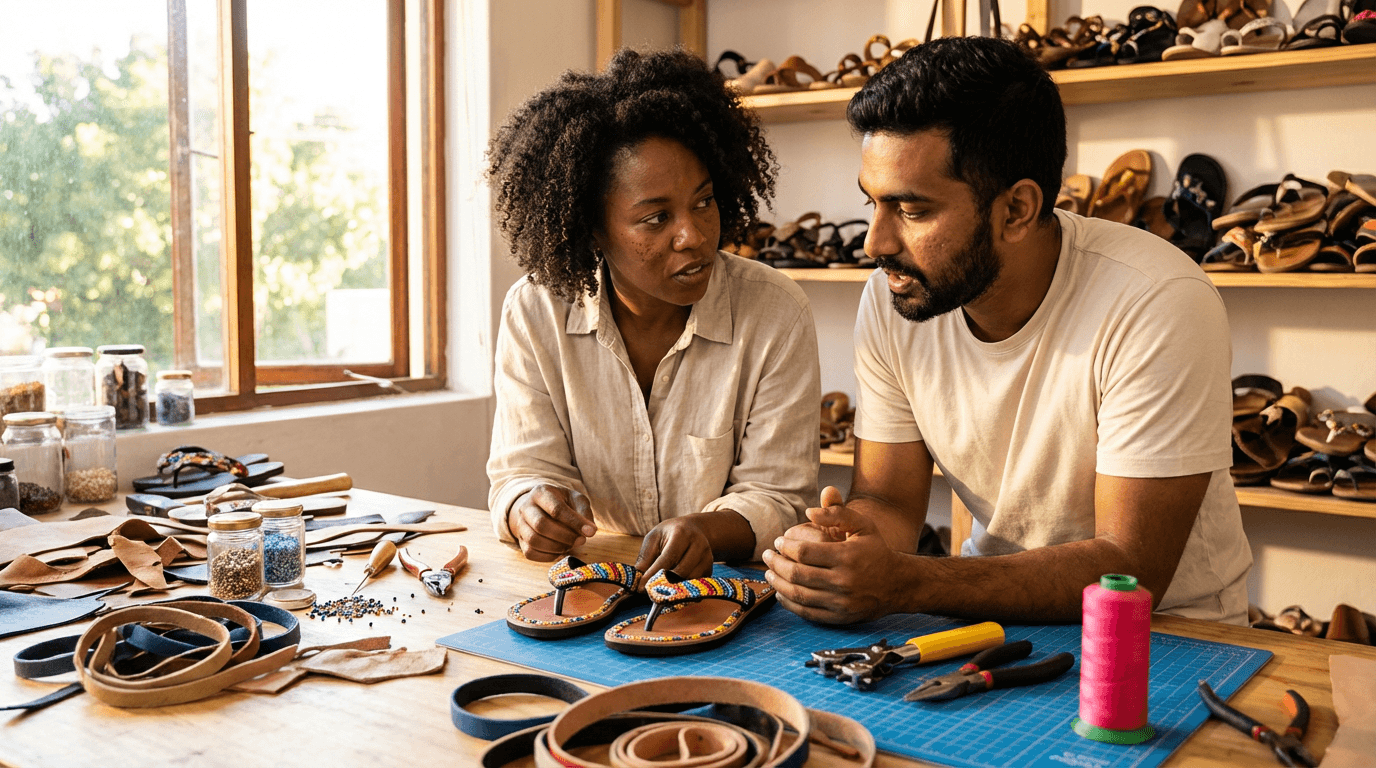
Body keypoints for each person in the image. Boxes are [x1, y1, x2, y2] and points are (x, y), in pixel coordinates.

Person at [762, 37, 1252, 625]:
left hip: (1174, 636)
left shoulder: (1156, 300)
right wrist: (850, 545)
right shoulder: (897, 292)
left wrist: (909, 581)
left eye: (911, 212)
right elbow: (890, 501)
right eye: (871, 204)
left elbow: (1130, 565)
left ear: (1017, 209)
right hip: (985, 610)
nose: (875, 243)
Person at [486, 49, 820, 583]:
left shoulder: (774, 311)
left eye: (704, 202)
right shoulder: (535, 312)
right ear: (593, 230)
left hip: (728, 593)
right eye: (656, 217)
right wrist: (528, 508)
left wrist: (706, 531)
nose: (692, 235)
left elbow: (780, 495)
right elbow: (521, 471)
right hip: (589, 584)